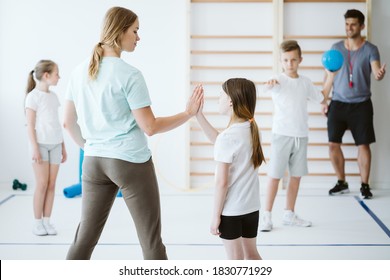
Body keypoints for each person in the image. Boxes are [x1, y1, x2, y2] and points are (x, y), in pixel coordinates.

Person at [63, 6, 203, 260]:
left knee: (83, 239)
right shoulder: (130, 75)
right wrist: (188, 113)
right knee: (151, 242)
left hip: (94, 163)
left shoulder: (78, 71)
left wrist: (89, 147)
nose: (138, 37)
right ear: (119, 32)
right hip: (130, 163)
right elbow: (150, 127)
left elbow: (67, 122)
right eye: (135, 31)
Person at [260, 40, 335, 232]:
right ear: (281, 61)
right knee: (274, 176)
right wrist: (270, 83)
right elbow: (266, 87)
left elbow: (322, 97)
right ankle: (266, 216)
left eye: (293, 59)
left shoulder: (305, 82)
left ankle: (289, 213)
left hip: (301, 136)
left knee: (296, 177)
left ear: (300, 59)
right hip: (281, 136)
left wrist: (330, 76)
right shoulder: (277, 81)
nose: (290, 63)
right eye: (285, 60)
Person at [196, 78, 265, 260]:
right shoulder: (250, 128)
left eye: (221, 95)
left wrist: (215, 216)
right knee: (252, 255)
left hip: (232, 212)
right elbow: (221, 141)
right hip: (251, 208)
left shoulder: (228, 137)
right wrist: (199, 116)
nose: (218, 99)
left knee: (235, 261)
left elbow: (221, 182)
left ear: (231, 101)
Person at [324, 9, 386, 199]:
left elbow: (376, 69)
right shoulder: (335, 48)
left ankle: (365, 185)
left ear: (361, 26)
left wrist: (378, 74)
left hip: (361, 104)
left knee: (363, 145)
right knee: (333, 145)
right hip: (338, 103)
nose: (349, 28)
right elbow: (328, 77)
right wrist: (324, 100)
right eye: (346, 24)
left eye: (353, 24)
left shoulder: (370, 49)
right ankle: (341, 182)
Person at [25, 60, 67, 236]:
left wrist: (63, 146)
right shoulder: (33, 97)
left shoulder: (54, 97)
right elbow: (30, 125)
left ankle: (47, 221)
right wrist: (35, 148)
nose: (59, 77)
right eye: (57, 73)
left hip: (56, 144)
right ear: (46, 75)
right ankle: (37, 223)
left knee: (51, 184)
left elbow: (56, 123)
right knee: (41, 184)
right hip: (40, 145)